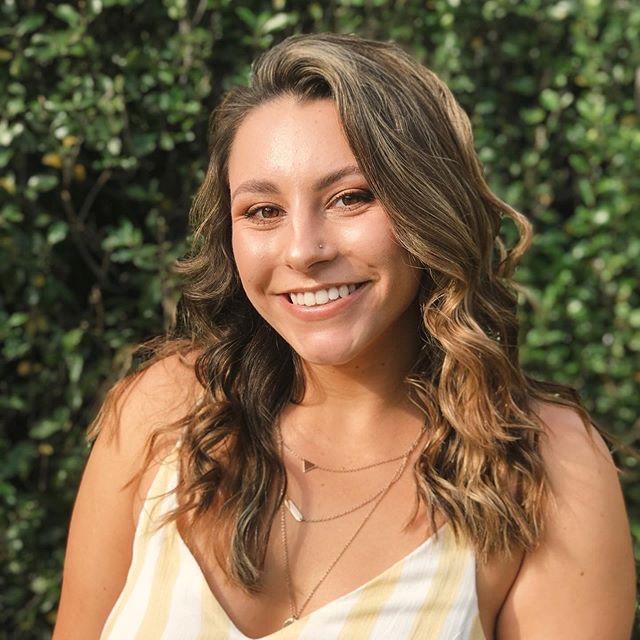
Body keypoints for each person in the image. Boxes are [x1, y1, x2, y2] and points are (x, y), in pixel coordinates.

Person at [52, 32, 636, 640]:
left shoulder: (543, 465)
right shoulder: (162, 413)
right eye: (263, 211)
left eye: (350, 198)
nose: (303, 250)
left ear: (428, 208)